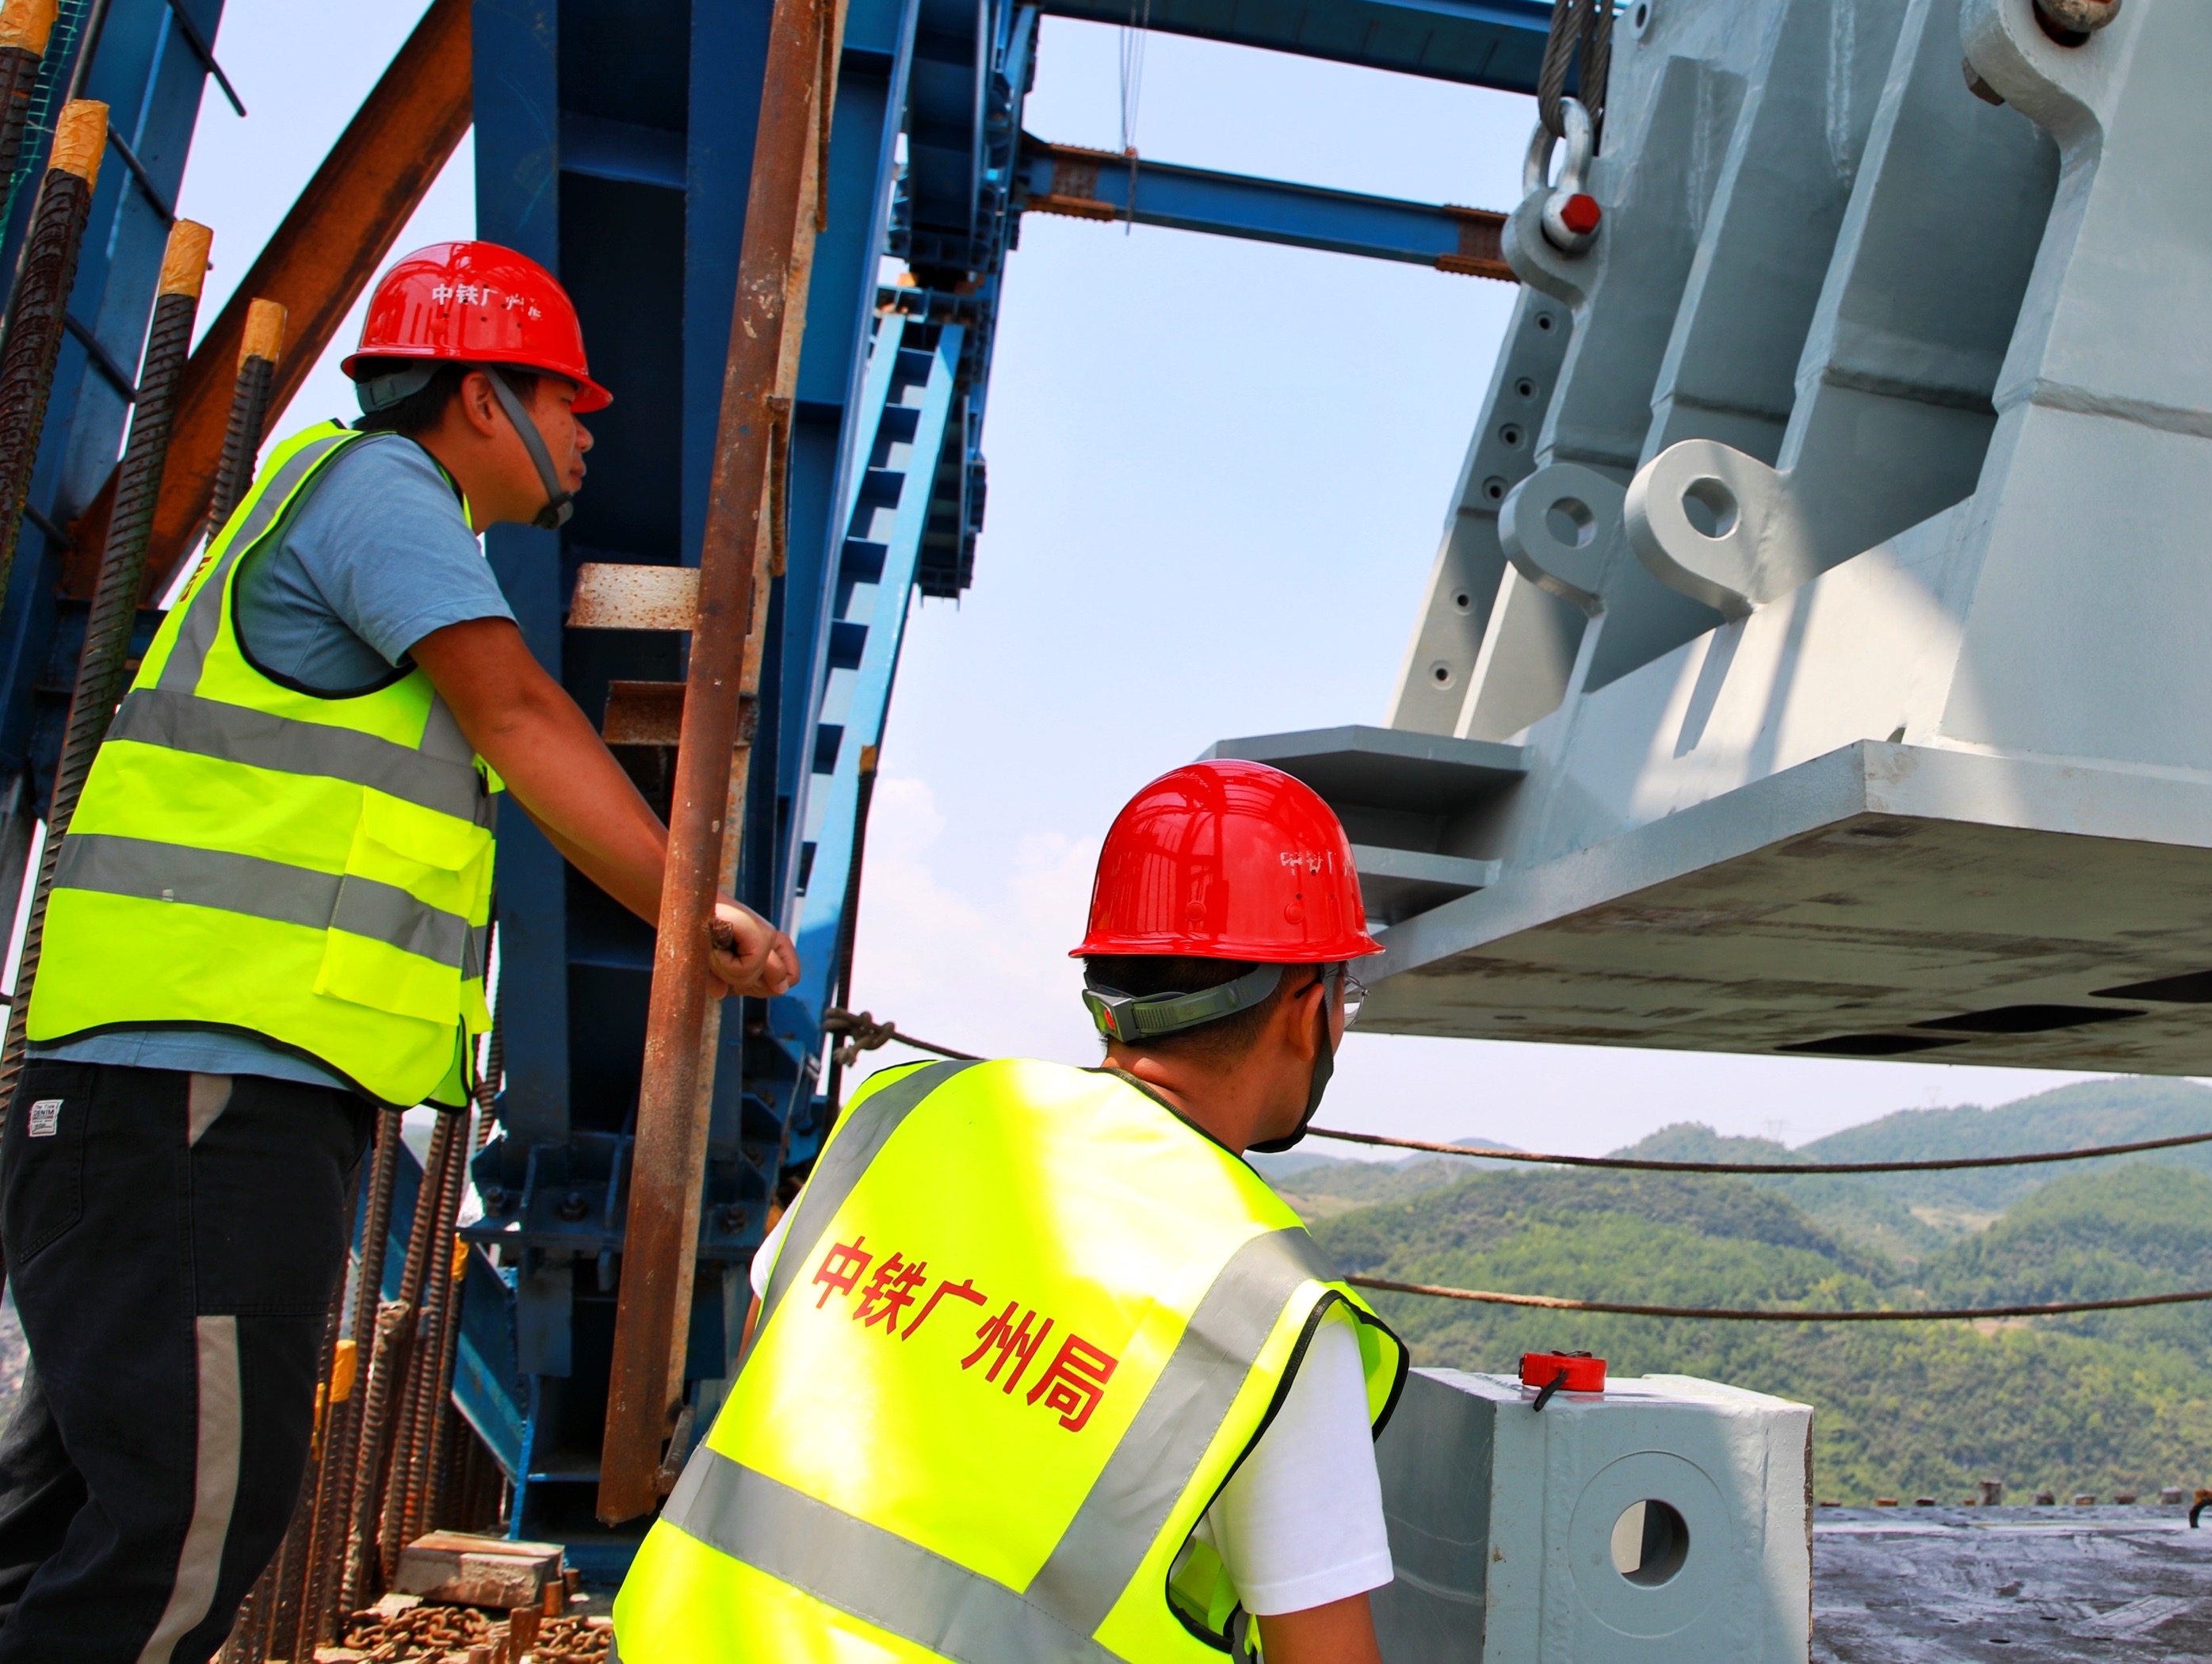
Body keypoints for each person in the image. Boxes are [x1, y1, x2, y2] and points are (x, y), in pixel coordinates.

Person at [0, 240, 799, 1662]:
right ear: (480, 397)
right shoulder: (382, 490)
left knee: (74, 1519)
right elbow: (517, 711)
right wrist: (695, 909)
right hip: (209, 1087)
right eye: (568, 399)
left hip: (166, 1086)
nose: (589, 428)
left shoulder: (338, 500)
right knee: (182, 1534)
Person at [616, 757, 1404, 1664]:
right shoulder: (1268, 1307)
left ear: (1107, 988)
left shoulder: (895, 1121)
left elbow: (766, 1383)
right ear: (1307, 1010)